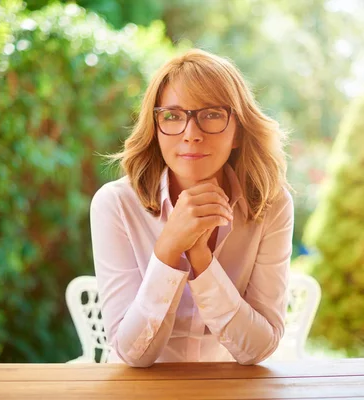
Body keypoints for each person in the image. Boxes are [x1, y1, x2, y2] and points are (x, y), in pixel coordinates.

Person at [90, 49, 293, 367]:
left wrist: (201, 257)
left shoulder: (271, 204)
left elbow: (258, 349)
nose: (191, 134)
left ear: (237, 130)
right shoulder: (115, 205)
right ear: (155, 128)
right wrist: (169, 248)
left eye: (211, 114)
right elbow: (132, 354)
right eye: (172, 116)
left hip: (231, 386)